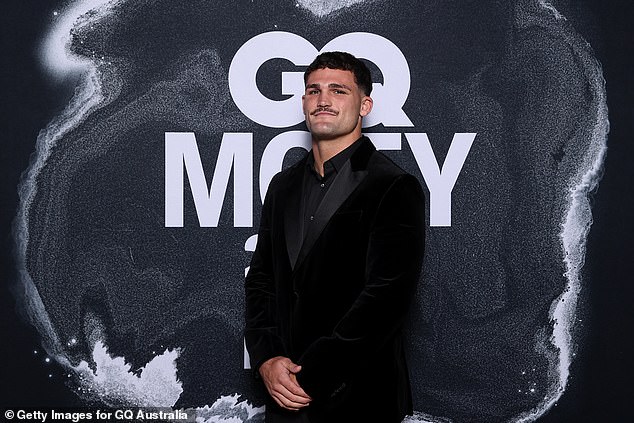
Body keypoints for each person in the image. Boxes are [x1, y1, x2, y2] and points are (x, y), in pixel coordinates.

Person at [245, 51, 426, 423]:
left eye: (338, 90)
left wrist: (311, 375)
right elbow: (261, 279)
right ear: (304, 102)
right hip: (285, 400)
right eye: (314, 91)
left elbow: (385, 299)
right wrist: (266, 359)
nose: (323, 100)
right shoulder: (282, 186)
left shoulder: (393, 185)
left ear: (365, 105)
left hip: (359, 400)